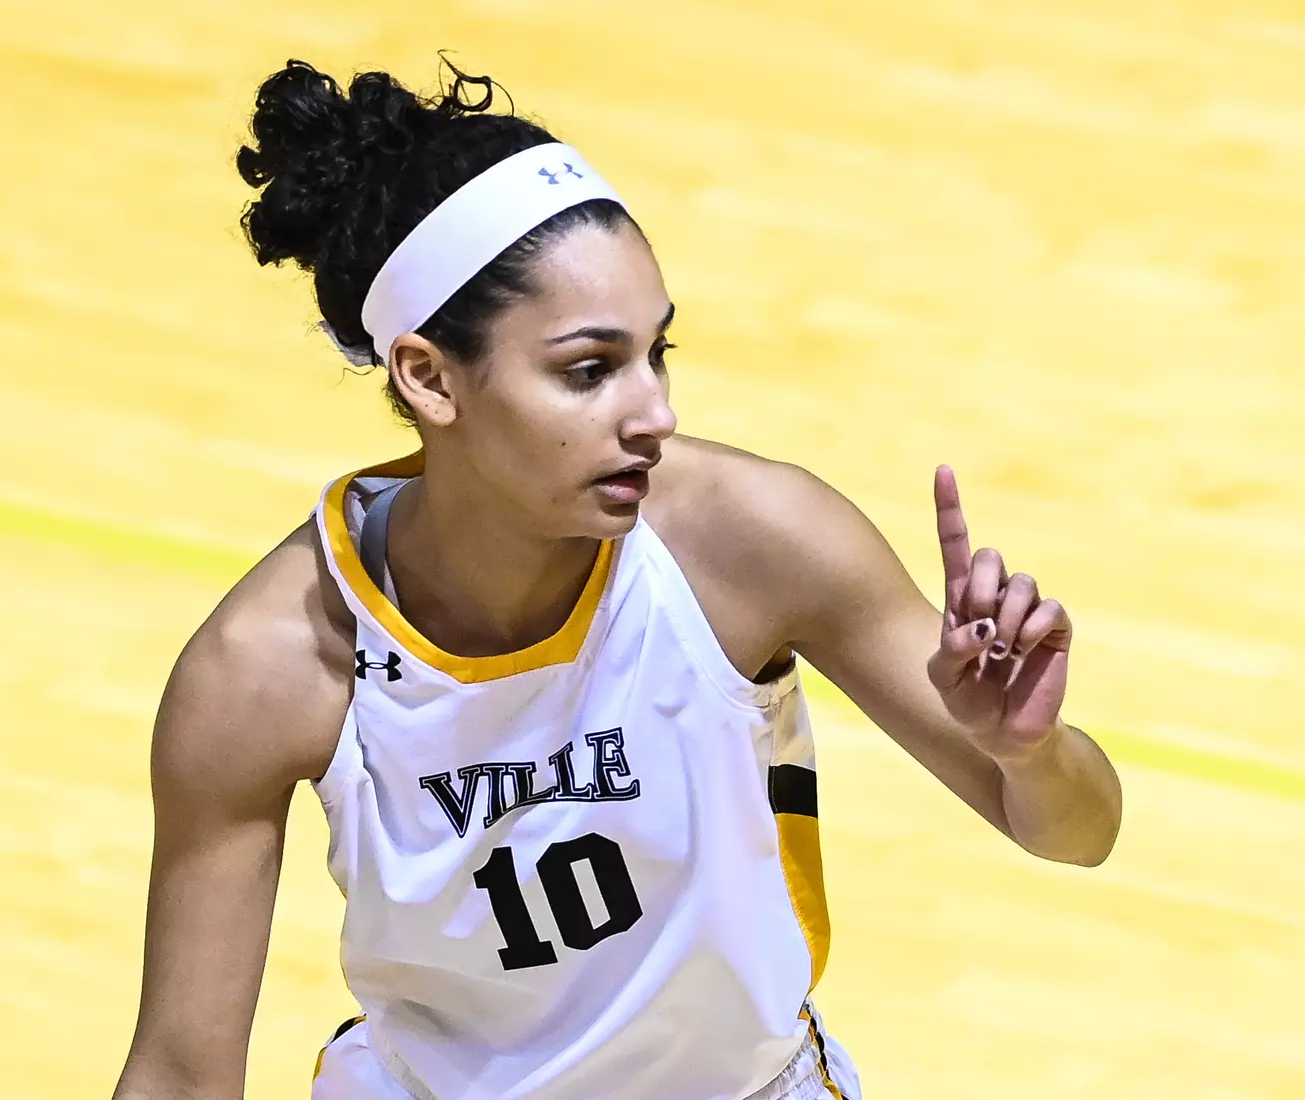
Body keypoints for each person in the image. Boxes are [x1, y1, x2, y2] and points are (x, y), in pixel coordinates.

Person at [111, 58, 1122, 1100]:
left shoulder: (749, 541)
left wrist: (1030, 751)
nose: (653, 413)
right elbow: (182, 1071)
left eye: (657, 353)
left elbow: (1081, 831)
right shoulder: (268, 666)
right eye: (589, 370)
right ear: (427, 375)